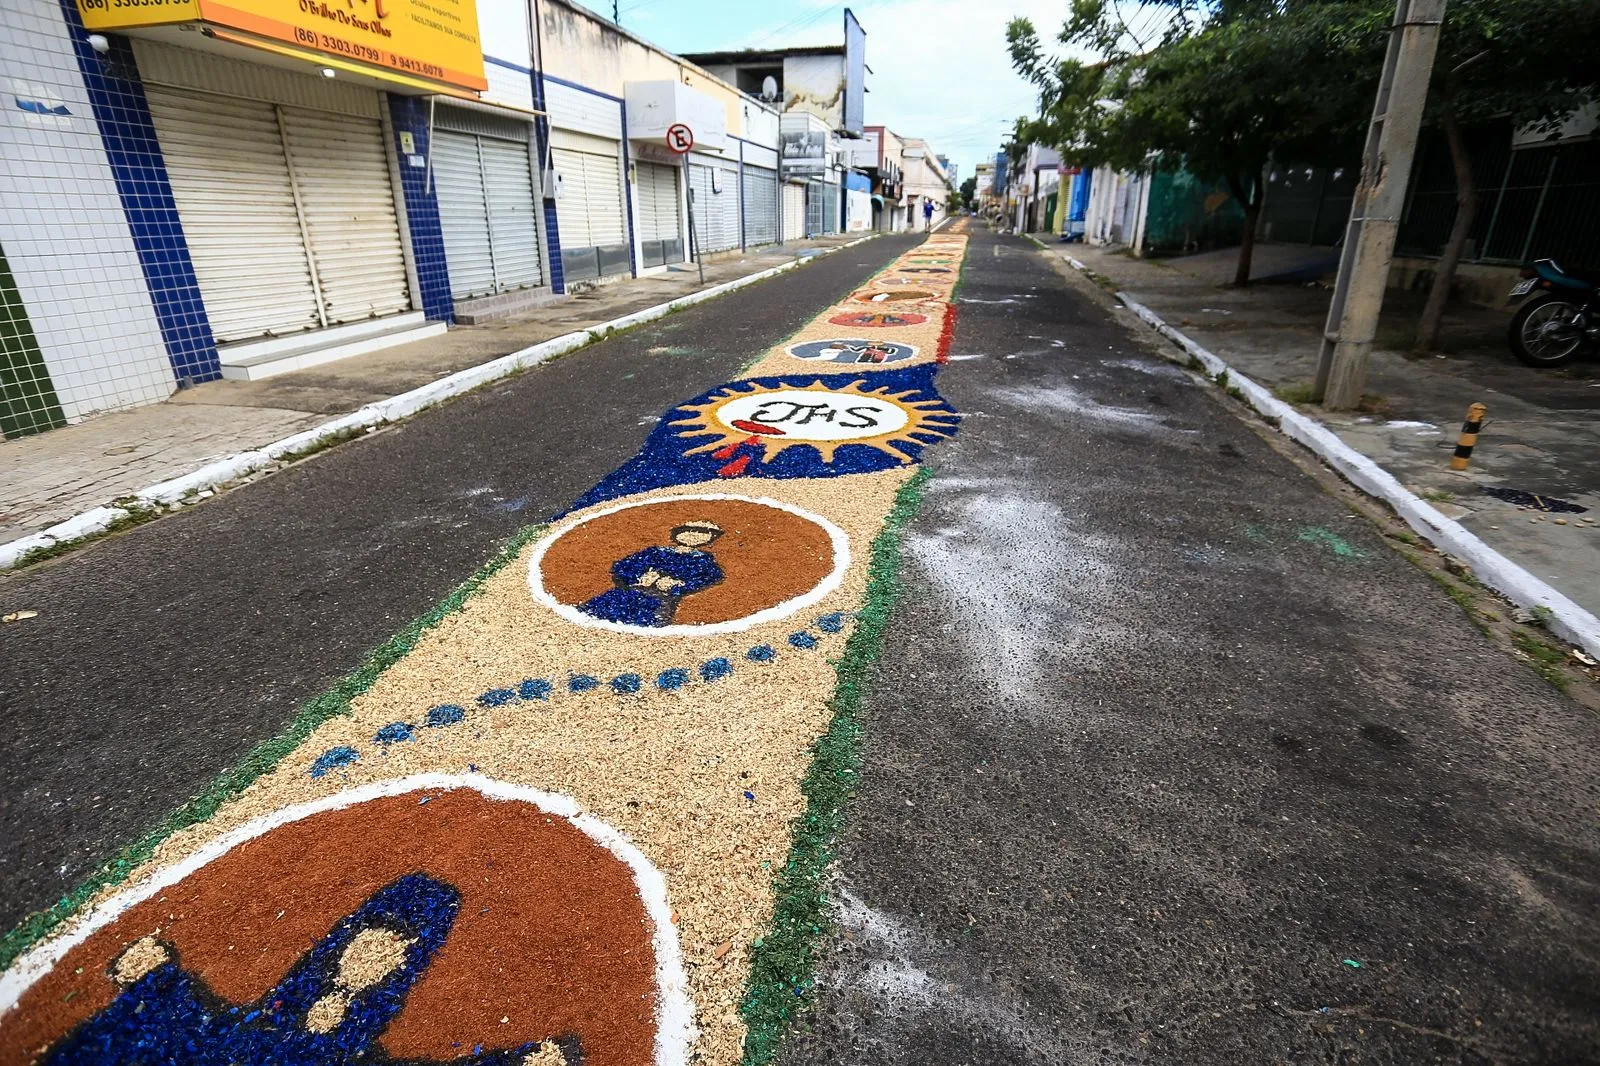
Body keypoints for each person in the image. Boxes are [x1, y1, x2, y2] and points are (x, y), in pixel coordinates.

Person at [580, 520, 725, 626]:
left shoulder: (703, 560)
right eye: (690, 531)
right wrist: (638, 576)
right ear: (679, 534)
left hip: (661, 601)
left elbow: (710, 577)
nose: (694, 536)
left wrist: (677, 585)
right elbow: (622, 566)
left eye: (703, 533)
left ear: (710, 538)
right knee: (593, 616)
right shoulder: (655, 552)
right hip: (626, 594)